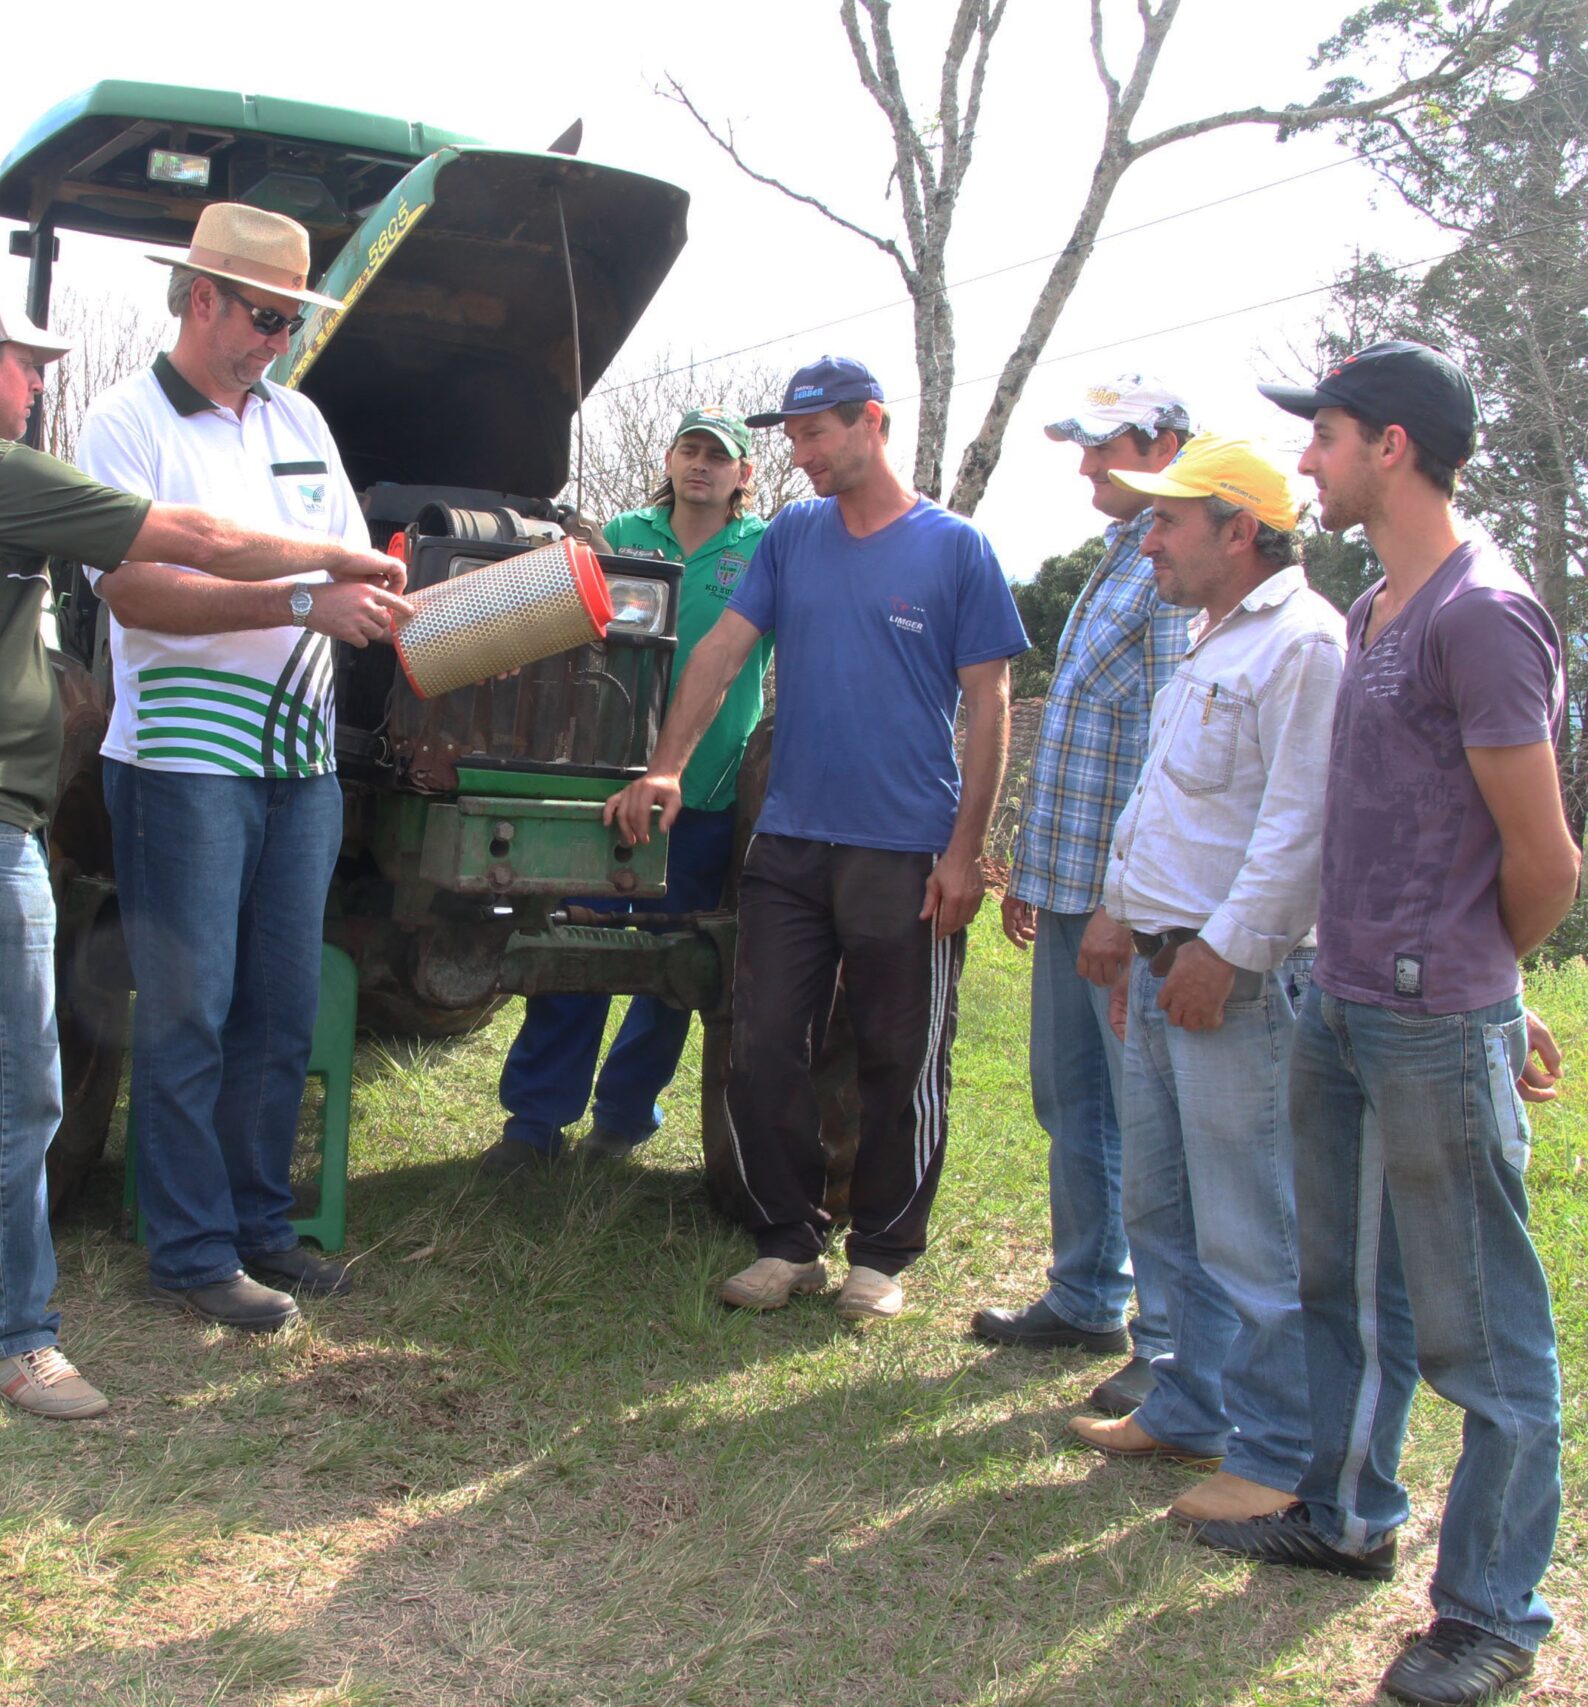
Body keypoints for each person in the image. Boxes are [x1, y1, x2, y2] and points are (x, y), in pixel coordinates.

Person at [0, 275, 404, 1391]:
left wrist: (339, 572)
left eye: (294, 324)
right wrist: (317, 579)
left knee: (261, 1005)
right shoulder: (45, 452)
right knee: (43, 1067)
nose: (40, 380)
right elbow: (157, 562)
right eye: (26, 361)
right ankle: (37, 1319)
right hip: (28, 796)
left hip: (261, 758)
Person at [1192, 342, 1580, 1707]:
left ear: (1395, 447)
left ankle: (1491, 1608)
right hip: (1338, 1004)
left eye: (1329, 436)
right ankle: (1347, 1511)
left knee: (1483, 1330)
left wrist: (1479, 980)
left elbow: (1545, 858)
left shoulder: (1486, 613)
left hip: (1426, 1021)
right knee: (1344, 1289)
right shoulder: (1374, 610)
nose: (1310, 459)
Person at [606, 356, 1027, 1323]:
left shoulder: (955, 548)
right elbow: (721, 649)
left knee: (899, 1052)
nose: (797, 457)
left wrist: (965, 852)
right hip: (790, 838)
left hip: (905, 845)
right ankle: (787, 1238)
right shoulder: (794, 534)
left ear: (870, 422)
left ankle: (882, 1254)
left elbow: (990, 703)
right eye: (789, 438)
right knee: (758, 1043)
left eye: (813, 435)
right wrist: (667, 763)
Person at [75, 204, 410, 1334]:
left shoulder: (300, 417)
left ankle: (261, 1226)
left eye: (291, 320)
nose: (277, 338)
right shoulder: (122, 424)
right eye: (264, 315)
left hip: (299, 759)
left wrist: (363, 604)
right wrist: (301, 597)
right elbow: (135, 588)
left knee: (279, 1006)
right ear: (200, 297)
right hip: (181, 763)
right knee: (188, 1010)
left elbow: (359, 556)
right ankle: (189, 1251)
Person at [1059, 437, 1342, 1527]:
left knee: (1250, 1225)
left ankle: (1276, 1457)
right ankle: (1188, 1407)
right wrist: (1130, 922)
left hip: (1231, 980)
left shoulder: (1302, 646)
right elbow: (1170, 806)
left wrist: (1222, 956)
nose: (1149, 535)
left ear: (1241, 531)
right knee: (1161, 1202)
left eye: (1171, 521)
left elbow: (1299, 824)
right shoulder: (1210, 637)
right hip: (1167, 965)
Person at [478, 407, 772, 1178]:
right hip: (606, 783)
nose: (702, 465)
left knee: (675, 965)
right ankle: (535, 1120)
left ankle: (624, 1117)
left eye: (719, 456)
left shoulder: (766, 551)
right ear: (670, 459)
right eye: (690, 450)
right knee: (577, 945)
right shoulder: (621, 536)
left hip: (704, 793)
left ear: (745, 473)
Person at [975, 375, 1192, 1417]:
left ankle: (1171, 1345)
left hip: (1127, 905)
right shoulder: (1121, 554)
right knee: (1070, 1100)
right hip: (1069, 886)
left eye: (1102, 448)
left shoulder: (1173, 566)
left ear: (1162, 442)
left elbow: (1166, 751)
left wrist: (1120, 901)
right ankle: (1085, 1293)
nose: (1085, 467)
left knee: (1147, 1116)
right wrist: (1034, 867)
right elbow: (1080, 732)